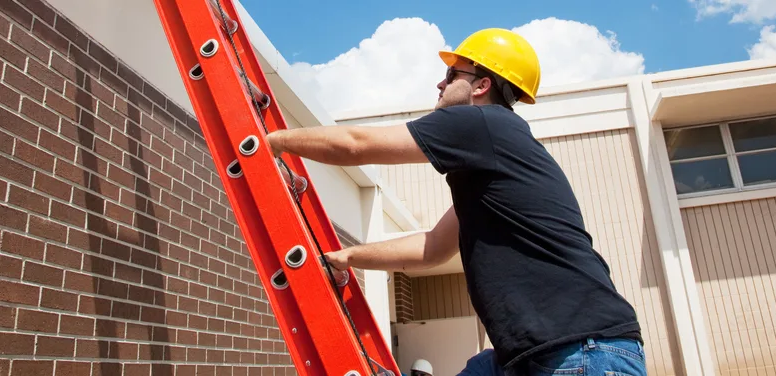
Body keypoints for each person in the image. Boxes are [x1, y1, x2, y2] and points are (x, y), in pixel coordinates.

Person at [264, 28, 647, 376]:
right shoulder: (494, 159)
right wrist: (350, 257)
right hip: (542, 352)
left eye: (451, 76)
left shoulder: (482, 124)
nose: (440, 83)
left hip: (580, 352)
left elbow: (356, 145)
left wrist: (273, 141)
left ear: (481, 85)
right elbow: (433, 247)